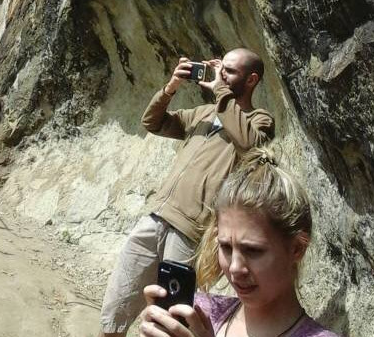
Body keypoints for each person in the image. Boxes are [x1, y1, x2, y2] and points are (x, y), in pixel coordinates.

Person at [99, 49, 274, 337]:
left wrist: (219, 89)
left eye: (230, 71)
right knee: (115, 308)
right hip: (156, 218)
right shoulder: (202, 113)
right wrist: (170, 88)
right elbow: (152, 123)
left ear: (252, 79)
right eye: (222, 68)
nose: (222, 74)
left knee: (168, 319)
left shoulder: (259, 120)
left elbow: (251, 144)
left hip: (191, 232)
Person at [138, 148, 343, 337]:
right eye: (226, 247)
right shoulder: (200, 314)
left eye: (253, 250)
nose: (235, 268)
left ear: (297, 248)